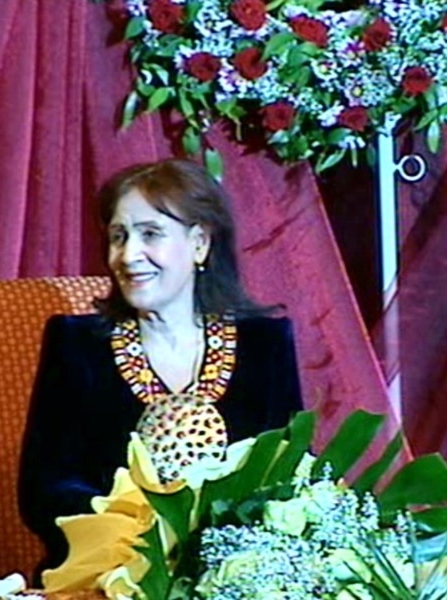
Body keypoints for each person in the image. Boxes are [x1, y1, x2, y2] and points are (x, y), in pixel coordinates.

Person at [17, 158, 303, 584]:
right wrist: (144, 537)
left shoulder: (264, 344)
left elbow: (287, 472)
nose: (128, 255)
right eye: (119, 236)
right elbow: (43, 491)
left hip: (241, 576)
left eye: (150, 234)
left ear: (199, 243)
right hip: (109, 574)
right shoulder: (76, 344)